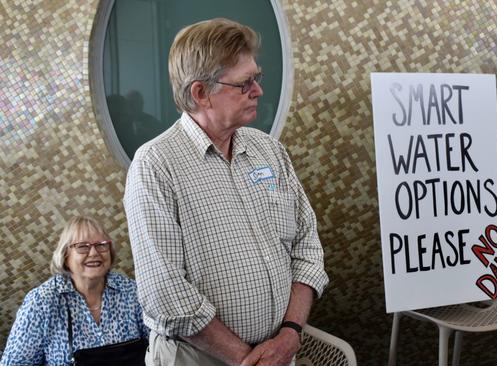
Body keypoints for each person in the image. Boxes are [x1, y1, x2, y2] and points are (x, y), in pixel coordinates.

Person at [123, 18, 328, 366]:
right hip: (199, 358)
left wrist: (290, 334)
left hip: (279, 352)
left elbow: (307, 245)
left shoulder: (269, 151)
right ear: (200, 93)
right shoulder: (156, 165)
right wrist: (248, 359)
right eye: (244, 83)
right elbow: (165, 293)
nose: (258, 90)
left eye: (256, 78)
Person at [0, 216, 149, 365]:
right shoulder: (41, 302)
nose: (94, 253)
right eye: (82, 246)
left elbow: (159, 347)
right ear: (65, 256)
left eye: (101, 245)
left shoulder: (132, 292)